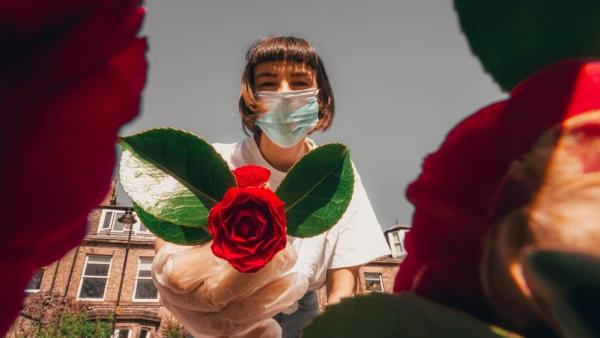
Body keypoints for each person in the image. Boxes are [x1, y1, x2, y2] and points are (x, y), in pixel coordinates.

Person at [153, 36, 390, 338]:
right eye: (268, 83)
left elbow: (345, 263)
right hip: (219, 305)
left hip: (299, 311)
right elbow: (172, 236)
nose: (285, 94)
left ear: (322, 98)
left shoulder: (335, 172)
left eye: (300, 82)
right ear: (251, 98)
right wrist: (178, 282)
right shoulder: (217, 161)